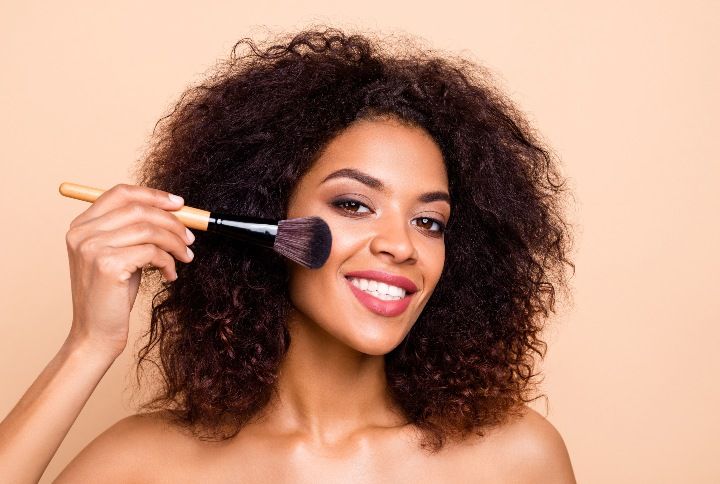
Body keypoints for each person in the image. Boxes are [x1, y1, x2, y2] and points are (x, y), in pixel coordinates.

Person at [0, 27, 576, 482]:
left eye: (429, 221)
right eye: (353, 204)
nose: (401, 245)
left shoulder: (518, 459)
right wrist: (88, 345)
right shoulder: (144, 464)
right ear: (265, 215)